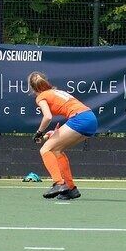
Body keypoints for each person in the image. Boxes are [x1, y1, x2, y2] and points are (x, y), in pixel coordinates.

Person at [28, 71, 98, 200]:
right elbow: (73, 110)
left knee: (45, 149)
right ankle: (71, 189)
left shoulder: (41, 96)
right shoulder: (57, 92)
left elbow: (47, 117)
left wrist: (39, 133)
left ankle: (59, 184)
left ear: (32, 89)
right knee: (57, 150)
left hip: (79, 119)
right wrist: (55, 134)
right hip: (90, 119)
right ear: (46, 82)